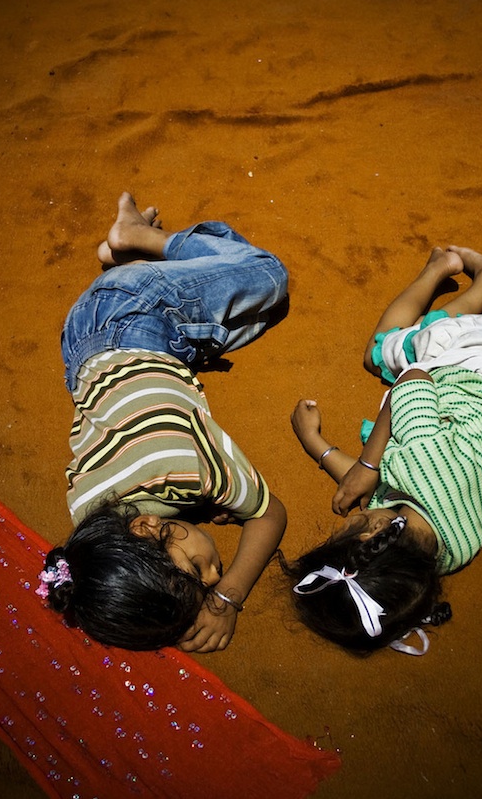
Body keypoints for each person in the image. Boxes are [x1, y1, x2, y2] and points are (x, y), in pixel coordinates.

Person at [37, 192, 288, 653]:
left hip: (132, 314)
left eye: (197, 571)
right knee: (244, 320)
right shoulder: (89, 520)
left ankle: (137, 238)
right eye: (209, 579)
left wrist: (229, 597)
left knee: (268, 277)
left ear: (147, 528)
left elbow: (269, 514)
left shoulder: (185, 467)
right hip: (79, 349)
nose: (213, 574)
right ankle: (121, 259)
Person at [287, 246, 482, 656]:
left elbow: (371, 488)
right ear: (377, 532)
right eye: (351, 525)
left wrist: (320, 447)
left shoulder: (441, 554)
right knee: (386, 349)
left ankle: (477, 277)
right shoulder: (419, 461)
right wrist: (366, 462)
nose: (348, 515)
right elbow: (413, 380)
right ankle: (453, 270)